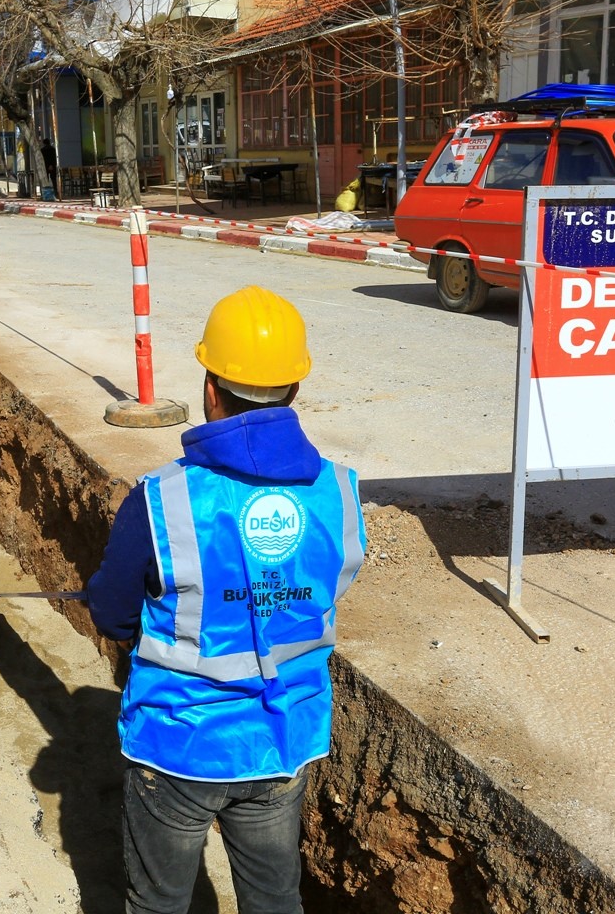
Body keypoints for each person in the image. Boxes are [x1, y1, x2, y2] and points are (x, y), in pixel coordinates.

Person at [82, 285, 367, 914]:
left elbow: (110, 611)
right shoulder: (340, 494)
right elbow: (325, 590)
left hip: (176, 744)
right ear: (295, 389)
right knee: (274, 900)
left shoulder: (162, 499)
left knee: (158, 903)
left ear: (212, 388)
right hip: (281, 739)